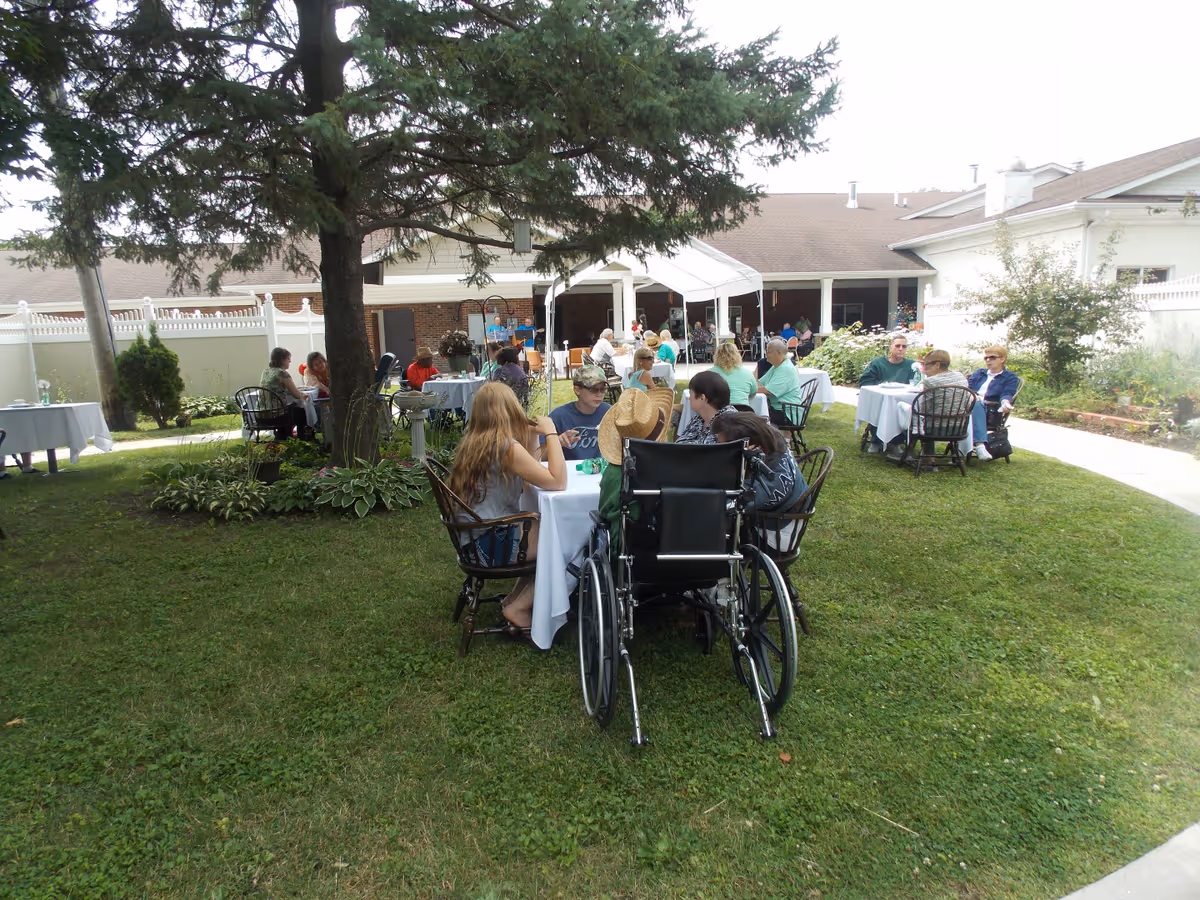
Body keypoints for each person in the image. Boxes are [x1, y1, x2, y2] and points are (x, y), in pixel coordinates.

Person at [448, 382, 566, 629]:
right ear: (508, 410)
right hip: (490, 545)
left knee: (544, 527)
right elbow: (558, 481)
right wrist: (552, 433)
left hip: (472, 541)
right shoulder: (505, 446)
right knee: (564, 536)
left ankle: (515, 600)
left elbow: (527, 471)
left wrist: (533, 434)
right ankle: (519, 607)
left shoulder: (477, 441)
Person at [711, 412, 808, 518]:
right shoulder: (769, 436)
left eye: (723, 446)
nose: (719, 449)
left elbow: (726, 506)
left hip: (778, 521)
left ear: (751, 448)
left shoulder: (768, 484)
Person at [967, 345, 1021, 462]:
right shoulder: (979, 373)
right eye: (986, 358)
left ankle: (980, 445)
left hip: (990, 411)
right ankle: (961, 451)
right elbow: (967, 388)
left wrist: (1005, 402)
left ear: (1002, 359)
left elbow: (1007, 393)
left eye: (992, 357)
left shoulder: (1009, 377)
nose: (988, 360)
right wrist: (973, 396)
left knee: (977, 404)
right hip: (968, 405)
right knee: (973, 402)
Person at [547, 366, 611, 460]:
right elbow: (537, 455)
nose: (599, 394)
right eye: (593, 389)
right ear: (577, 390)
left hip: (601, 471)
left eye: (603, 389)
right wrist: (557, 443)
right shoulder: (559, 416)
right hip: (571, 472)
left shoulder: (609, 412)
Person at [260, 346, 310, 439]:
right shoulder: (282, 373)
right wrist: (304, 394)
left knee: (293, 408)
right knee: (299, 410)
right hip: (276, 416)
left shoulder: (265, 372)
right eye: (288, 359)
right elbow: (296, 394)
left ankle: (283, 436)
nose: (290, 362)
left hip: (261, 415)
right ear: (282, 359)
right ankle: (301, 437)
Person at [677, 370, 736, 445]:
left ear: (702, 398)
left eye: (690, 393)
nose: (689, 398)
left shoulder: (727, 424)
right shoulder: (699, 419)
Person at [756, 338, 804, 428]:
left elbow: (768, 391)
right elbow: (760, 383)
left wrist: (749, 390)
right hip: (779, 408)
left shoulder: (785, 369)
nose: (766, 354)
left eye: (769, 351)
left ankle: (764, 440)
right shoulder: (777, 366)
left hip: (787, 413)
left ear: (779, 353)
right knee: (752, 413)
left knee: (752, 417)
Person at [710, 341, 759, 406]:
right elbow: (753, 392)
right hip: (743, 412)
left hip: (719, 412)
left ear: (716, 356)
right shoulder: (747, 373)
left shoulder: (709, 374)